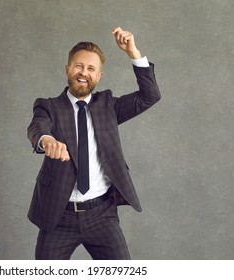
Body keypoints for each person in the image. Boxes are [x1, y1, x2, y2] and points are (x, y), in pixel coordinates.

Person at [27, 27, 161, 259]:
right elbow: (38, 127)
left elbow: (150, 96)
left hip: (102, 215)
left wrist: (133, 52)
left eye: (91, 69)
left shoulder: (107, 105)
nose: (84, 72)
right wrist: (46, 140)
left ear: (98, 76)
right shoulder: (49, 106)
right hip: (59, 215)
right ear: (68, 69)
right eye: (79, 66)